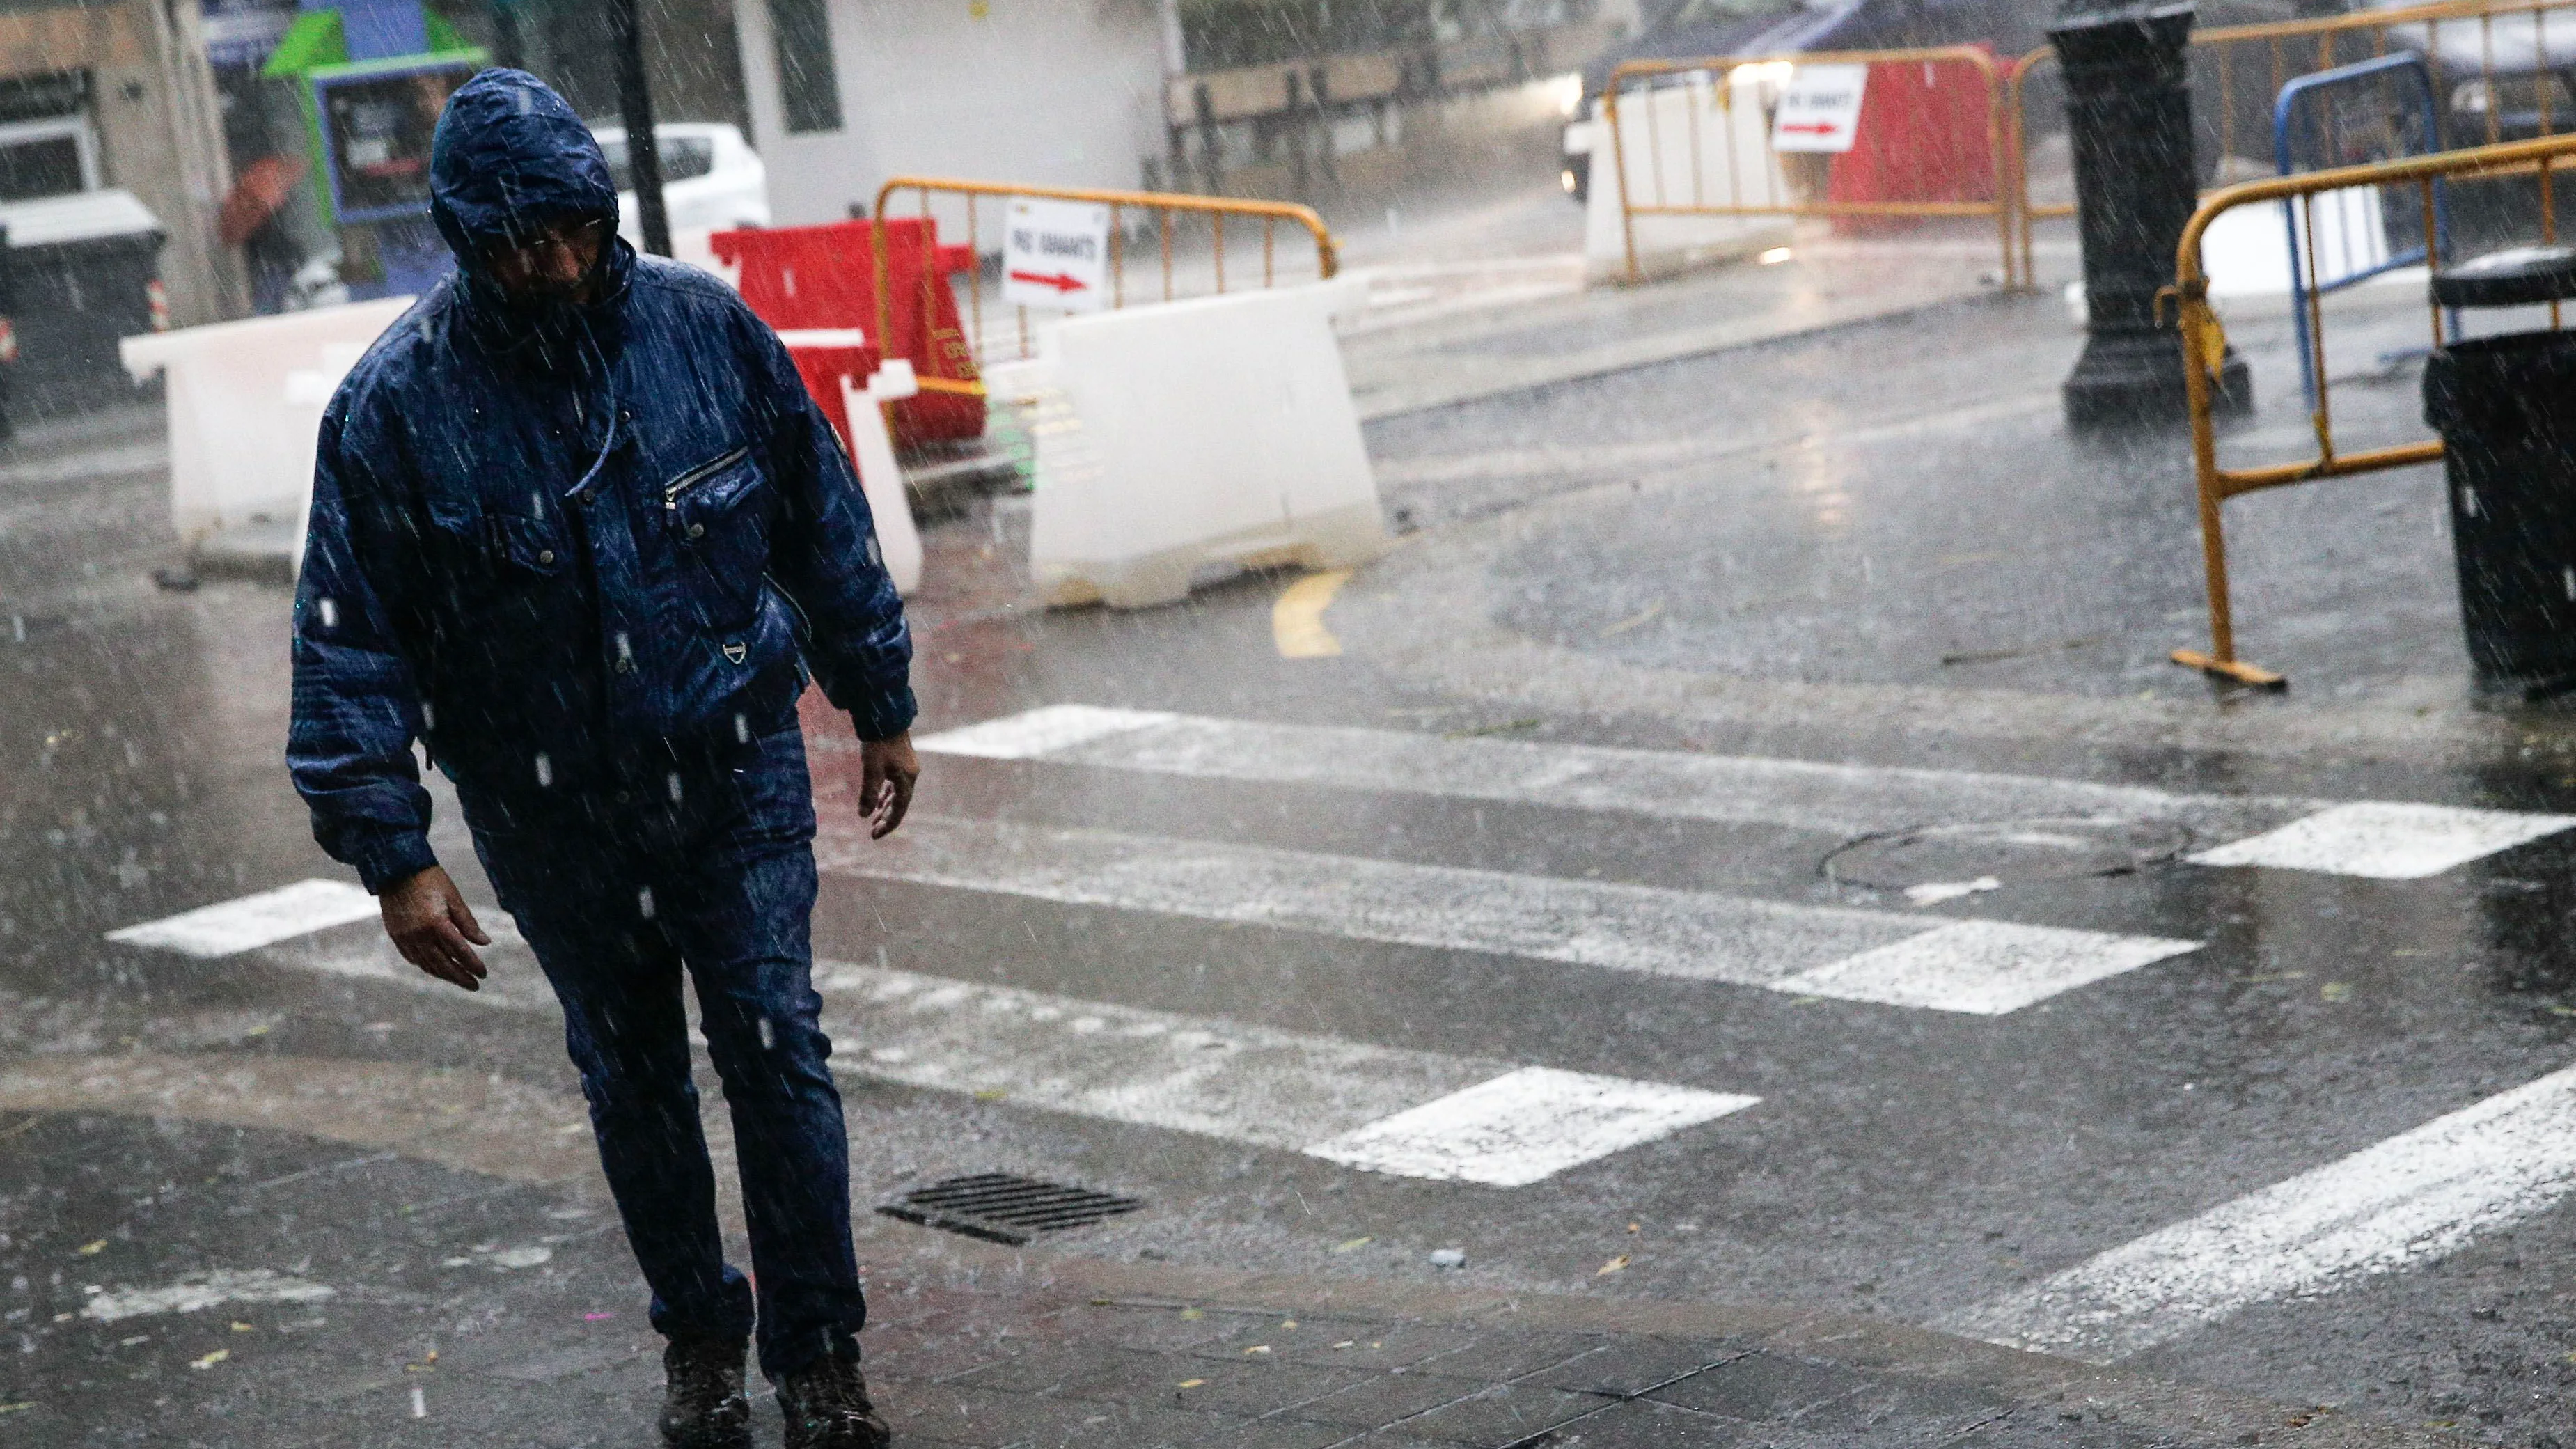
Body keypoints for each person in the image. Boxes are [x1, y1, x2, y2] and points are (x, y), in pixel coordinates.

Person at [286, 69, 913, 1449]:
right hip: (549, 808)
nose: (551, 264)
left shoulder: (704, 335)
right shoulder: (395, 408)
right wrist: (392, 852)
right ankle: (699, 1329)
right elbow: (348, 639)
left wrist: (878, 692)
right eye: (515, 244)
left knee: (774, 1044)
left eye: (569, 230)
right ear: (465, 243)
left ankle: (819, 1349)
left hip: (730, 764)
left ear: (601, 213)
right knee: (629, 1072)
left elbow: (819, 516)